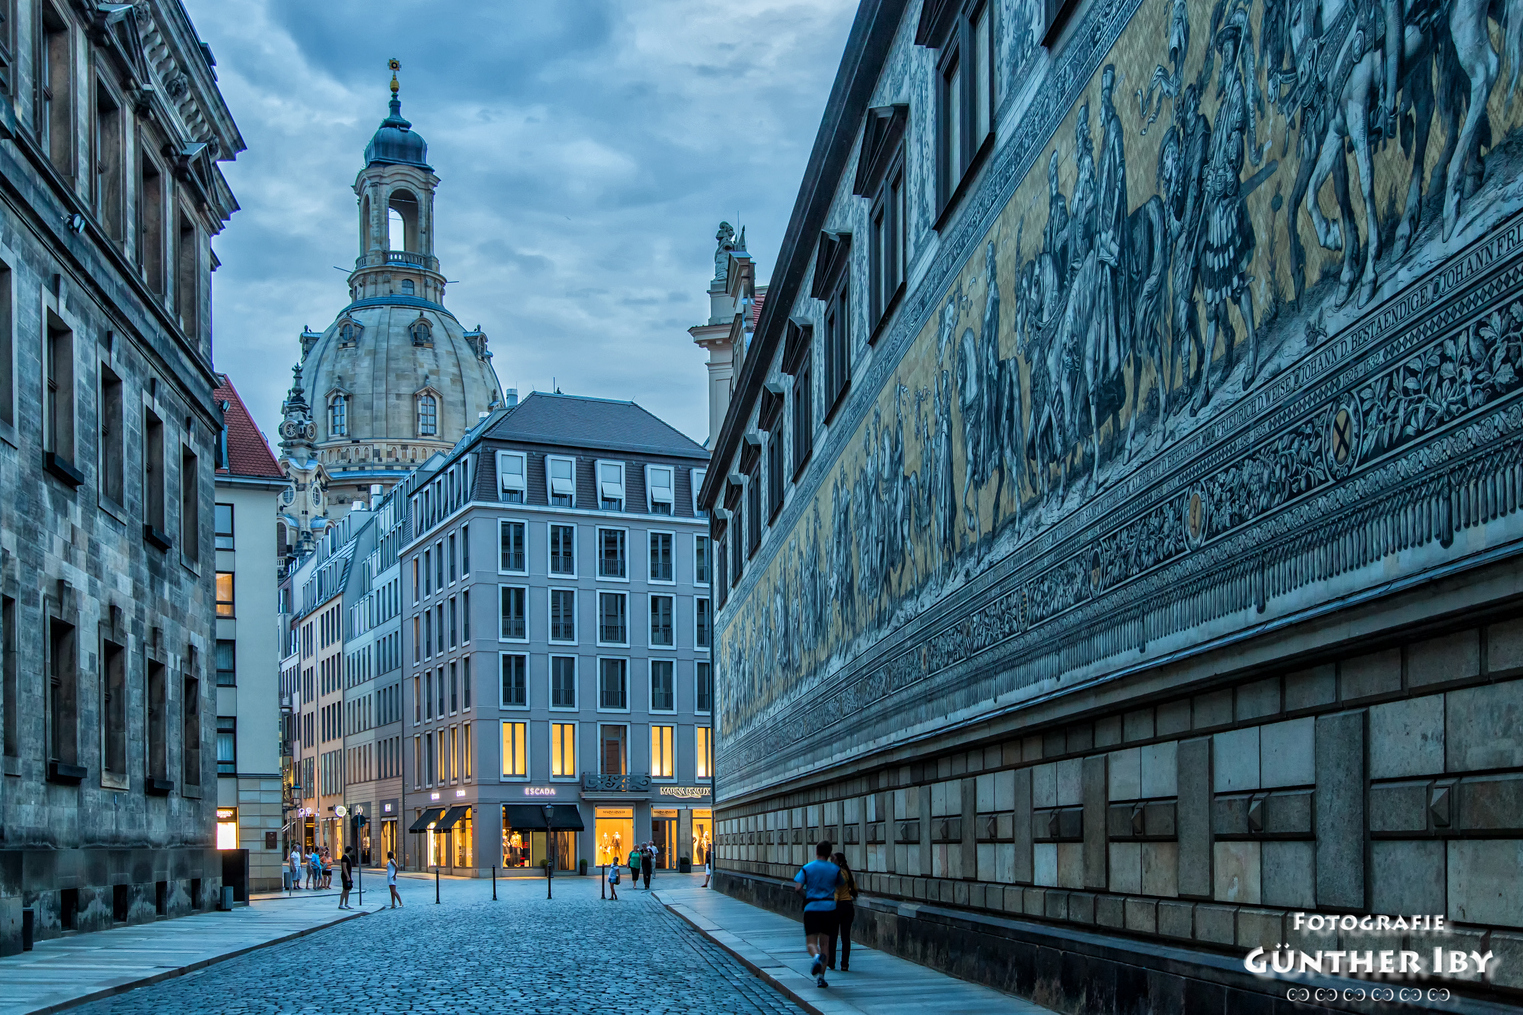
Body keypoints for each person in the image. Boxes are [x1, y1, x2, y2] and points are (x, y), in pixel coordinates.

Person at [793, 840, 844, 989]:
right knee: (825, 944)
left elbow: (797, 888)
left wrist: (807, 896)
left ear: (816, 851)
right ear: (829, 854)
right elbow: (840, 884)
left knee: (811, 943)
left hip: (812, 908)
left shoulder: (807, 868)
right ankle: (821, 978)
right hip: (829, 908)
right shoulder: (834, 869)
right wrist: (834, 864)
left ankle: (816, 957)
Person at [826, 852, 859, 971]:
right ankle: (845, 964)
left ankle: (831, 962)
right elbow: (854, 888)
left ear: (838, 861)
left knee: (833, 936)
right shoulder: (847, 872)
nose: (831, 862)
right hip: (848, 906)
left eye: (833, 860)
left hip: (838, 906)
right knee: (846, 937)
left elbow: (836, 893)